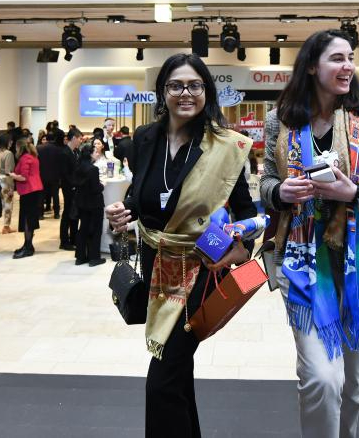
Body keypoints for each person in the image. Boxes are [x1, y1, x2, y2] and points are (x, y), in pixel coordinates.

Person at [259, 29, 359, 438]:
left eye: (351, 57)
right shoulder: (280, 120)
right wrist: (280, 192)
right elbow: (266, 182)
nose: (347, 65)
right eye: (337, 58)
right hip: (300, 263)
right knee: (320, 377)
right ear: (311, 67)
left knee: (353, 381)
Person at [104, 53, 259, 437]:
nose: (185, 93)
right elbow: (141, 198)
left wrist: (240, 247)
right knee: (177, 373)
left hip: (200, 271)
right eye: (176, 85)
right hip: (154, 261)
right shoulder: (145, 138)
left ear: (206, 91)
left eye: (194, 85)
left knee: (162, 380)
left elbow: (246, 212)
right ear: (162, 92)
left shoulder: (225, 146)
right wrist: (123, 212)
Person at [9, 137, 43, 259]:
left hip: (29, 191)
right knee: (30, 219)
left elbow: (24, 177)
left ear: (19, 147)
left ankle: (28, 247)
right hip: (34, 190)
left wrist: (12, 175)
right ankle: (28, 245)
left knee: (28, 220)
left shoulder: (25, 158)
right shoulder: (33, 157)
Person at [72, 142, 105, 267]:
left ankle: (80, 257)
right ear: (90, 154)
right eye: (95, 152)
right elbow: (96, 189)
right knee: (96, 230)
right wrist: (102, 185)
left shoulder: (79, 167)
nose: (97, 154)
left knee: (83, 229)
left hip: (81, 203)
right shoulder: (93, 169)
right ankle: (94, 257)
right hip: (94, 204)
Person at [61, 127, 83, 250]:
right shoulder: (65, 153)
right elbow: (65, 174)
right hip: (69, 188)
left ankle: (74, 238)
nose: (81, 141)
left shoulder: (75, 151)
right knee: (67, 213)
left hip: (75, 187)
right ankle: (64, 241)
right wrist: (74, 184)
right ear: (74, 138)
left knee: (74, 213)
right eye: (80, 138)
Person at [38, 129, 66, 220]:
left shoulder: (39, 148)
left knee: (41, 195)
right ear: (54, 138)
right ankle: (56, 213)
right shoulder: (59, 149)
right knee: (55, 195)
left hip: (42, 175)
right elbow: (61, 163)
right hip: (55, 176)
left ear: (46, 138)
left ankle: (40, 214)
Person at [0, 133, 16, 234]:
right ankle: (6, 226)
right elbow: (8, 171)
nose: (11, 143)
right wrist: (11, 187)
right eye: (10, 141)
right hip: (5, 181)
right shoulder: (8, 153)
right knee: (7, 204)